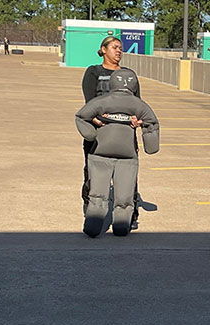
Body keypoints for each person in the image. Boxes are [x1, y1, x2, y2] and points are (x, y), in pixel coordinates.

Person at [76, 69, 160, 238]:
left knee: (98, 194)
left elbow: (81, 116)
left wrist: (92, 130)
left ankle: (93, 226)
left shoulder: (102, 101)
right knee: (125, 195)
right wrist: (148, 141)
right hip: (127, 156)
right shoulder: (139, 105)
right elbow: (152, 123)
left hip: (100, 153)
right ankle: (121, 227)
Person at [81, 36, 143, 230]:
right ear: (103, 49)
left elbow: (137, 103)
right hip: (99, 132)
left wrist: (136, 118)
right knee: (92, 173)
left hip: (124, 134)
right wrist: (95, 119)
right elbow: (89, 101)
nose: (119, 51)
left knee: (127, 174)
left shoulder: (129, 75)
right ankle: (92, 211)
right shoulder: (93, 72)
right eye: (114, 47)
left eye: (120, 48)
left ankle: (129, 215)